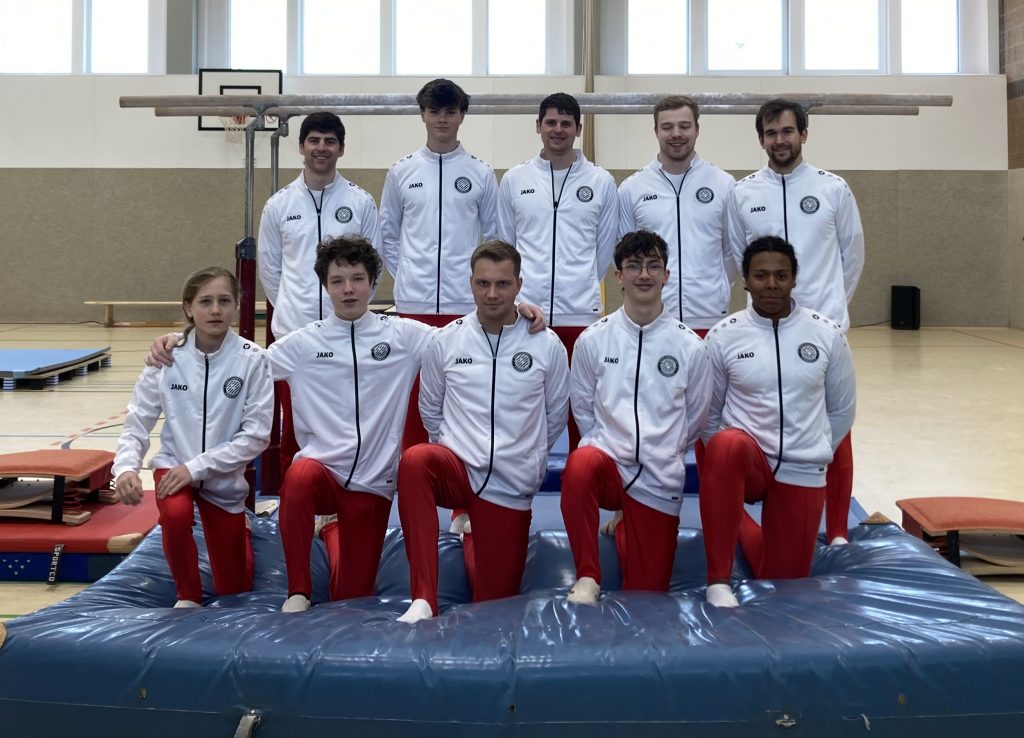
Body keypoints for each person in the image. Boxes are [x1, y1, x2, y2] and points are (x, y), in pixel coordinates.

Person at [147, 237, 547, 613]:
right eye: (337, 281)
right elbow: (240, 363)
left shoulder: (405, 336)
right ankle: (299, 589)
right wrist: (180, 342)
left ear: (373, 283)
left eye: (357, 279)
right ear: (326, 286)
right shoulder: (303, 344)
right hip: (320, 472)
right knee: (299, 476)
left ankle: (332, 531)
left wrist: (518, 313)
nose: (348, 289)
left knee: (351, 596)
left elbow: (466, 336)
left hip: (372, 484)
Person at [396, 241, 569, 623]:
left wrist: (526, 457)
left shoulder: (547, 345)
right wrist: (454, 448)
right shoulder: (446, 340)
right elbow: (430, 409)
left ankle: (475, 531)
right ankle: (424, 596)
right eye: (483, 283)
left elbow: (555, 414)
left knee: (493, 604)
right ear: (471, 283)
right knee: (415, 461)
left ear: (519, 285)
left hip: (510, 485)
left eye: (503, 284)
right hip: (457, 470)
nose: (492, 294)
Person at [725, 98, 864, 546]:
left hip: (822, 328)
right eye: (770, 133)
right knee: (769, 418)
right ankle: (765, 506)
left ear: (803, 134)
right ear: (761, 139)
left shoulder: (833, 189)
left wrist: (829, 314)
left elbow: (852, 255)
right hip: (764, 326)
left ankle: (837, 529)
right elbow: (737, 257)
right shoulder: (743, 193)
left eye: (787, 131)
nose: (779, 140)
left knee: (834, 427)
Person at [699, 237, 856, 608]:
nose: (771, 284)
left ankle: (736, 520)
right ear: (746, 281)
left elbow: (842, 410)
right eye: (761, 275)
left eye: (781, 276)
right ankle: (718, 579)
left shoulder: (826, 334)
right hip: (749, 460)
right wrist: (725, 463)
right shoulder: (723, 336)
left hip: (801, 466)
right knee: (724, 444)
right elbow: (708, 413)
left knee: (782, 582)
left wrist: (815, 449)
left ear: (794, 279)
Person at [560, 231, 712, 604]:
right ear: (618, 276)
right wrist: (607, 447)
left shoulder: (690, 347)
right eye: (633, 266)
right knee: (580, 464)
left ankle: (630, 519)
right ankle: (587, 576)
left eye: (653, 266)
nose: (643, 274)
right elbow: (583, 410)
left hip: (659, 479)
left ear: (666, 275)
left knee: (647, 594)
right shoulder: (593, 340)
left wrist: (666, 451)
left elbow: (695, 417)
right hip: (608, 468)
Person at [113, 266, 274, 608]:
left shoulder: (253, 360)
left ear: (237, 305)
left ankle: (242, 531)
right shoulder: (166, 357)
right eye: (205, 302)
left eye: (224, 301)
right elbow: (137, 422)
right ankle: (187, 595)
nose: (215, 310)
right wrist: (125, 468)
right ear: (188, 307)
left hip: (223, 479)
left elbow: (256, 437)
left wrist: (196, 468)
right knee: (175, 514)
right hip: (174, 466)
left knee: (234, 588)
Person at [379, 78, 500, 448]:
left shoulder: (480, 172)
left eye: (450, 111)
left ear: (462, 115)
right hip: (413, 306)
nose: (442, 119)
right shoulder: (402, 172)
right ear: (423, 115)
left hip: (463, 305)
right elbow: (387, 235)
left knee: (462, 395)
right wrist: (409, 275)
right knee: (415, 397)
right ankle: (413, 469)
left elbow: (494, 238)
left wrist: (475, 285)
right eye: (435, 111)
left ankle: (462, 475)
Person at [257, 111, 379, 472]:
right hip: (294, 335)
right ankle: (294, 497)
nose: (321, 147)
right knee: (296, 428)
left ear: (341, 148)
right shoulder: (278, 205)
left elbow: (373, 268)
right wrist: (293, 310)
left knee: (347, 424)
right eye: (314, 140)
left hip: (347, 335)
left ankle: (343, 495)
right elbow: (271, 270)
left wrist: (348, 315)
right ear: (301, 147)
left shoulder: (360, 202)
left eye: (329, 141)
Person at [497, 92, 618, 447]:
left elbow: (604, 249)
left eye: (566, 123)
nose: (558, 129)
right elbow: (505, 246)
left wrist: (580, 283)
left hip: (580, 314)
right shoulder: (515, 179)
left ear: (578, 129)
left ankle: (586, 472)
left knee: (584, 409)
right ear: (538, 126)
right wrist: (519, 300)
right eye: (551, 122)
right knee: (524, 406)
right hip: (527, 315)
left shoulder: (600, 181)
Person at [617, 96, 736, 335]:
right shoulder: (632, 188)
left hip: (710, 317)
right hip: (653, 318)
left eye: (684, 126)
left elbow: (732, 251)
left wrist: (714, 287)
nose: (676, 134)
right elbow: (623, 254)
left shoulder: (724, 184)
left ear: (697, 129)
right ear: (656, 131)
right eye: (667, 127)